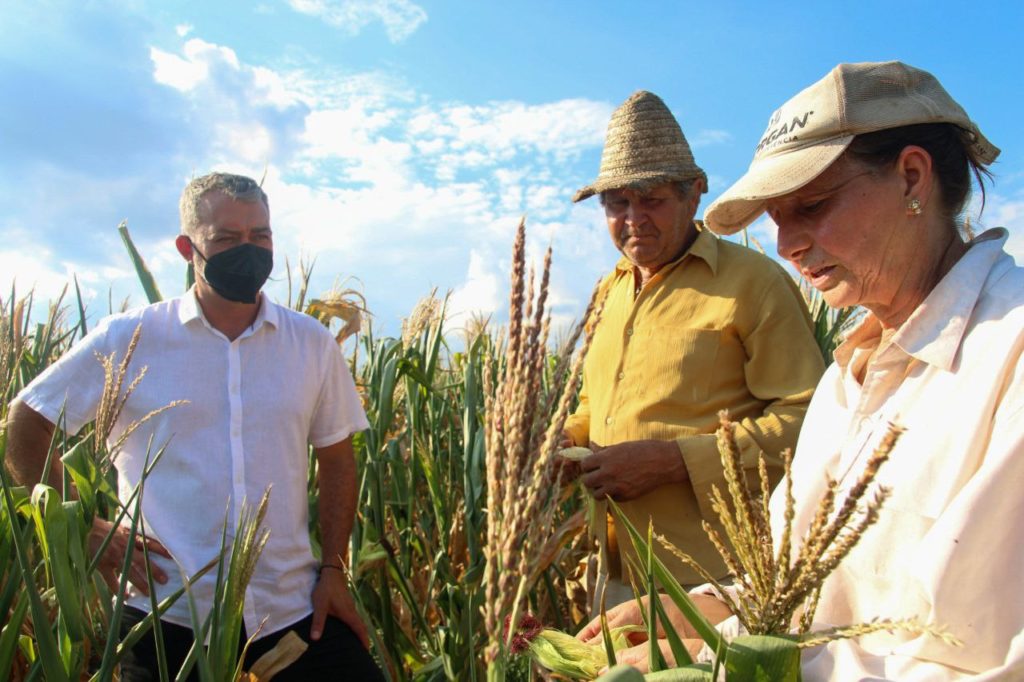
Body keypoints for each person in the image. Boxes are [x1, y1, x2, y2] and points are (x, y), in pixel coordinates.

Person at [582, 61, 1023, 680]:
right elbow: (800, 585)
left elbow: (978, 659)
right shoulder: (849, 381)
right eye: (776, 217)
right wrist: (707, 615)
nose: (787, 243)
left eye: (811, 205)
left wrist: (721, 663)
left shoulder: (1009, 357)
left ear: (912, 178)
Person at [4, 172, 384, 680]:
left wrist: (334, 569)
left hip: (291, 606)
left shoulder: (310, 344)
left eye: (260, 237)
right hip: (164, 616)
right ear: (188, 247)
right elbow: (26, 418)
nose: (248, 250)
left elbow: (338, 460)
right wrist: (80, 526)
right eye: (226, 238)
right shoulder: (130, 338)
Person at [563, 90, 825, 609]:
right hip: (612, 568)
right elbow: (595, 405)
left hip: (715, 579)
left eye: (653, 198)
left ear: (695, 192)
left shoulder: (754, 283)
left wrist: (674, 461)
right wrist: (564, 444)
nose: (633, 218)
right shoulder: (608, 291)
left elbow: (810, 420)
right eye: (617, 203)